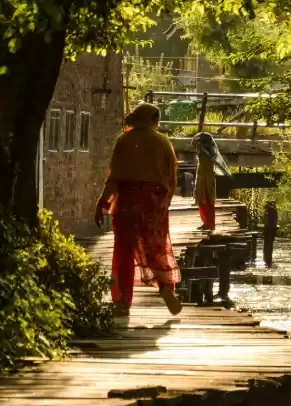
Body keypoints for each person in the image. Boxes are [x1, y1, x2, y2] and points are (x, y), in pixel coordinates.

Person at [95, 103, 183, 317]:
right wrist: (164, 203)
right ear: (154, 121)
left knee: (124, 252)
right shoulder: (163, 142)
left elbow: (115, 177)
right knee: (156, 247)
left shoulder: (125, 141)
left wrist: (102, 203)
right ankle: (165, 287)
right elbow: (171, 179)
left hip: (128, 203)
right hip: (154, 203)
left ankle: (123, 301)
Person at [192, 131, 231, 231]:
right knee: (201, 199)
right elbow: (193, 142)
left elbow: (214, 159)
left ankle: (210, 224)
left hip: (208, 177)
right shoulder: (199, 149)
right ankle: (205, 222)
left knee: (209, 200)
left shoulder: (211, 152)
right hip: (201, 176)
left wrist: (204, 148)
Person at [263, 201, 278, 267]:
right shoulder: (274, 211)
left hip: (268, 230)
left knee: (267, 245)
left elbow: (266, 222)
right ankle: (268, 259)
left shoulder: (267, 211)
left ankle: (267, 259)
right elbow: (275, 221)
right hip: (271, 230)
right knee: (269, 245)